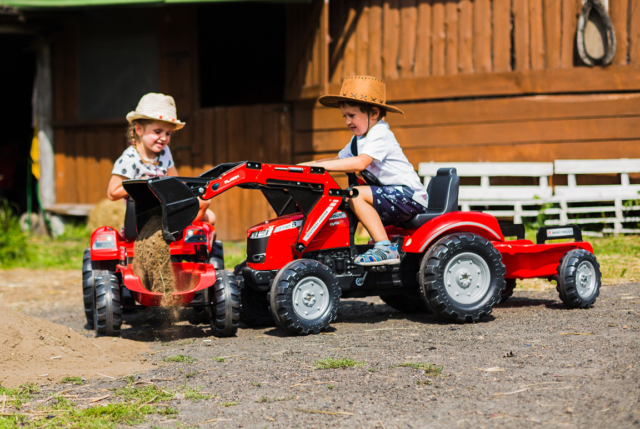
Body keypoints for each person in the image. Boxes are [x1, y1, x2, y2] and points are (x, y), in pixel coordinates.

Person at [300, 76, 427, 266]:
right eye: (345, 116)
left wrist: (317, 167)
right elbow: (338, 161)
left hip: (409, 196)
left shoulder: (380, 133)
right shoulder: (359, 140)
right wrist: (305, 166)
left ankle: (385, 248)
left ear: (374, 112)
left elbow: (359, 163)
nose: (347, 122)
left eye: (352, 115)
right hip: (391, 196)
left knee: (355, 194)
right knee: (342, 198)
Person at [107, 93, 215, 224]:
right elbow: (112, 193)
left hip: (166, 206)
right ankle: (182, 227)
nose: (164, 138)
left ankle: (185, 230)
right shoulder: (129, 159)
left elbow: (175, 182)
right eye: (158, 131)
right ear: (139, 129)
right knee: (200, 208)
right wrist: (141, 183)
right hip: (144, 215)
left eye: (168, 133)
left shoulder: (165, 152)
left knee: (209, 215)